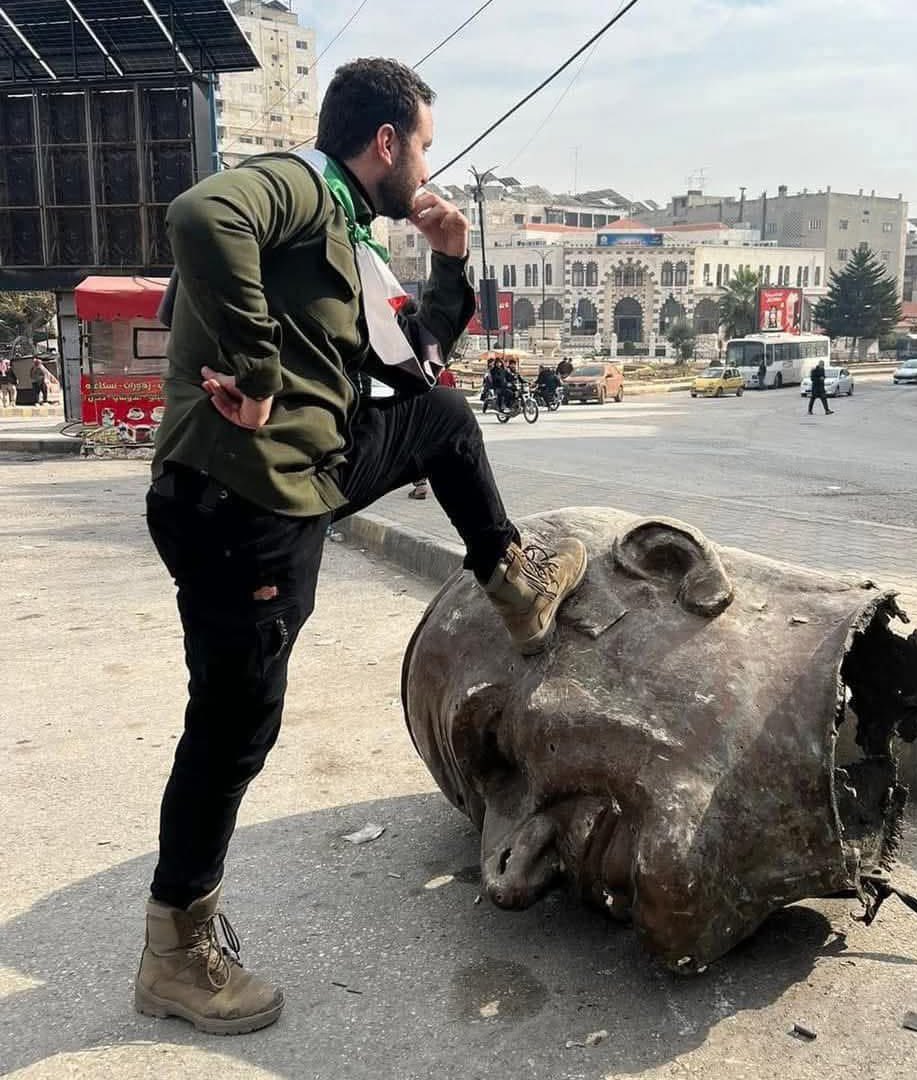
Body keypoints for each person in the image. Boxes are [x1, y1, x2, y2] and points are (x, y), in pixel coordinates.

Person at [137, 58, 587, 1037]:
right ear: (385, 142)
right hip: (237, 501)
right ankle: (176, 952)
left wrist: (455, 261)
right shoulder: (302, 185)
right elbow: (201, 218)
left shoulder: (343, 234)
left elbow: (417, 364)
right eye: (422, 144)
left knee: (445, 419)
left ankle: (514, 586)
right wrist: (256, 367)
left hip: (293, 483)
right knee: (233, 728)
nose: (424, 164)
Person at [410, 364, 457, 499]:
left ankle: (421, 485)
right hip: (435, 412)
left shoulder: (409, 366)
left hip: (417, 412)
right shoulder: (434, 369)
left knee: (417, 448)